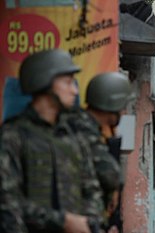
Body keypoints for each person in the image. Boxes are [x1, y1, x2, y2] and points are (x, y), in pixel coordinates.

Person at [0, 49, 104, 233]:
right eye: (68, 82)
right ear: (44, 83)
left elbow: (92, 189)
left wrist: (89, 222)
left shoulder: (74, 136)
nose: (74, 90)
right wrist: (63, 222)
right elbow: (8, 202)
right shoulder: (13, 136)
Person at [67, 72, 133, 233]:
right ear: (112, 104)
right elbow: (109, 175)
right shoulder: (80, 131)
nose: (124, 112)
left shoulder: (97, 132)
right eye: (122, 107)